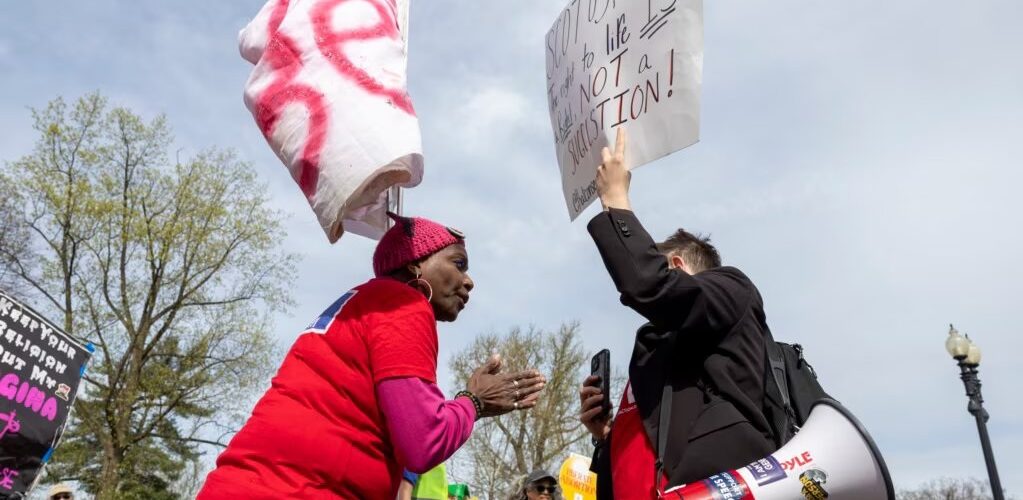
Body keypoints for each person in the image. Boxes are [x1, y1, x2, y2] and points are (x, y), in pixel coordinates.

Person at [198, 213, 547, 499]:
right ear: (415, 264)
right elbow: (423, 441)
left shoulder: (365, 301)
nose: (468, 281)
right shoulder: (403, 304)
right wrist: (475, 402)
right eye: (458, 263)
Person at [579, 128, 776, 498]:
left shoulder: (732, 290)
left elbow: (648, 286)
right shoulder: (660, 349)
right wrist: (607, 436)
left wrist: (615, 200)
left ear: (675, 263)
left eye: (655, 262)